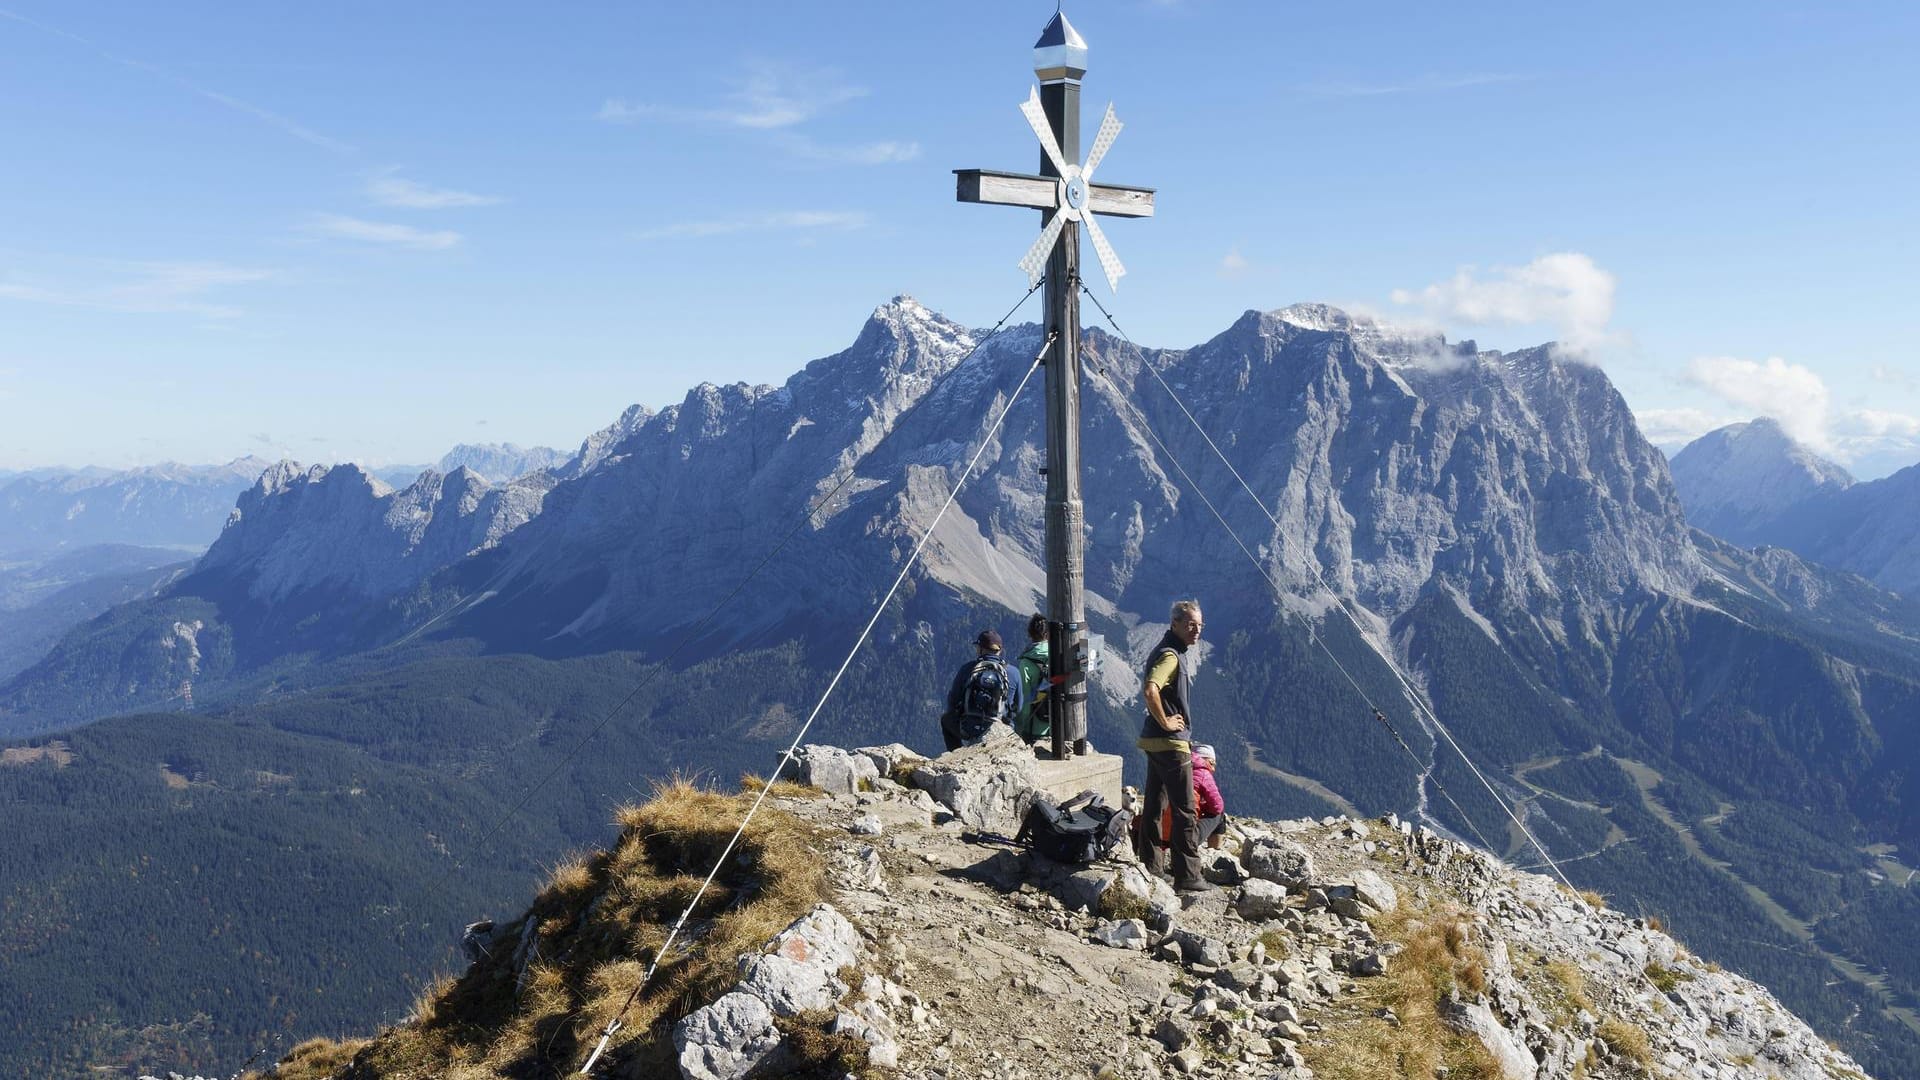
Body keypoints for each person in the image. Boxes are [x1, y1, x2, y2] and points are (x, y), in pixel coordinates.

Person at [1135, 599, 1214, 893]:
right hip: (1171, 743)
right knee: (1186, 809)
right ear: (1175, 624)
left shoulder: (1169, 650)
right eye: (1191, 624)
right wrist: (1168, 722)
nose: (1197, 630)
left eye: (1200, 625)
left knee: (1155, 805)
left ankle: (1151, 868)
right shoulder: (1170, 656)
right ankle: (1188, 875)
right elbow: (1150, 689)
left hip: (1153, 742)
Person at [940, 629, 1022, 751]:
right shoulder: (1013, 672)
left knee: (945, 719)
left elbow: (953, 700)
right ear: (1000, 650)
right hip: (1002, 727)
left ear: (980, 649)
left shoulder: (967, 669)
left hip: (970, 729)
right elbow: (1018, 707)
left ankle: (957, 754)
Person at [1012, 613, 1051, 746]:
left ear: (1030, 634)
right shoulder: (1060, 656)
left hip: (1035, 727)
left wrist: (1020, 726)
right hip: (1059, 724)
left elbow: (1025, 699)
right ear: (1048, 635)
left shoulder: (1027, 662)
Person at [1191, 744, 1227, 849]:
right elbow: (1217, 806)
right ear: (1205, 760)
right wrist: (1205, 808)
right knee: (1219, 813)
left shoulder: (1175, 767)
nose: (1213, 768)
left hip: (1160, 830)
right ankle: (1214, 852)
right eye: (1212, 763)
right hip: (1186, 835)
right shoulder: (1203, 773)